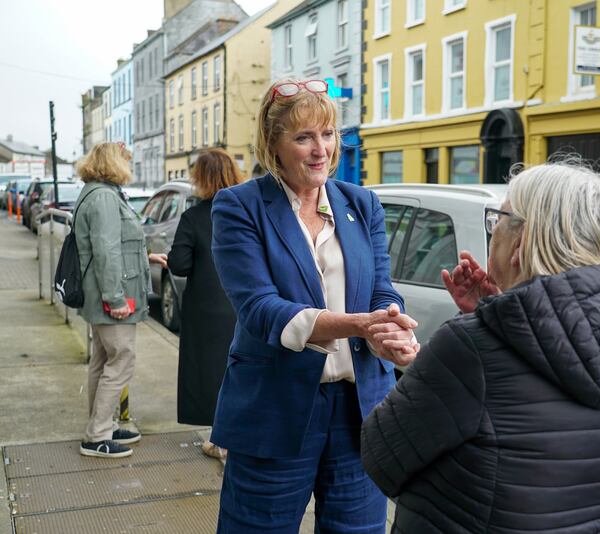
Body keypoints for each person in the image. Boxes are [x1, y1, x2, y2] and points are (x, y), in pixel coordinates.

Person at [361, 162, 600, 533]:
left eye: (498, 218)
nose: (493, 229)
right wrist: (494, 311)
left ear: (522, 241)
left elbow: (380, 456)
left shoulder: (470, 348)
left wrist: (465, 331)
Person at [210, 78, 420, 533]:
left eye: (328, 134)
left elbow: (382, 290)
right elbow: (261, 309)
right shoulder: (239, 207)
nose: (320, 149)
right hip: (275, 410)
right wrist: (358, 325)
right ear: (273, 144)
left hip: (359, 410)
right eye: (303, 137)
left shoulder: (362, 204)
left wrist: (390, 329)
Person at [74, 142, 168, 458]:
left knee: (102, 362)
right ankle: (97, 434)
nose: (130, 165)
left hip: (104, 292)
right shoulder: (103, 197)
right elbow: (106, 251)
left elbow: (116, 245)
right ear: (114, 163)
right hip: (113, 296)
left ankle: (103, 426)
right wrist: (115, 299)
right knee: (121, 359)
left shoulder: (100, 192)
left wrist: (146, 257)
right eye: (127, 160)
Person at [167, 148, 244, 460]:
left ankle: (220, 439)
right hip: (244, 304)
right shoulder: (247, 212)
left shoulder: (195, 216)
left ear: (201, 178)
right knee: (241, 368)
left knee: (210, 371)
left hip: (206, 307)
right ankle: (241, 434)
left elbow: (179, 264)